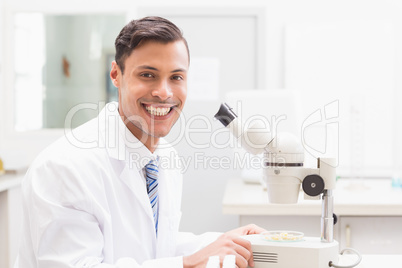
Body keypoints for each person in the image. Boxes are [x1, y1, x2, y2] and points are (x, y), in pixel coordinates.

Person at [15, 16, 265, 268]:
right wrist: (188, 263)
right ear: (116, 74)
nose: (164, 92)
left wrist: (224, 244)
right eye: (148, 75)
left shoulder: (164, 157)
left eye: (176, 77)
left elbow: (155, 246)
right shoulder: (64, 167)